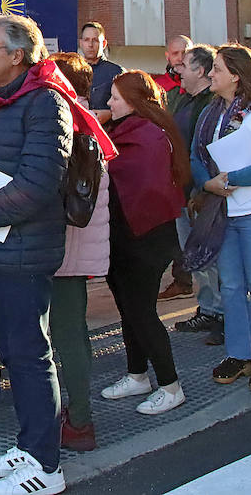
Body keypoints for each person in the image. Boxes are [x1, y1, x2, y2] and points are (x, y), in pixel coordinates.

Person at [0, 13, 82, 495]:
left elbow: (37, 185)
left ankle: (46, 467)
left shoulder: (46, 103)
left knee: (30, 356)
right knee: (17, 354)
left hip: (25, 252)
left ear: (17, 56)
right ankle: (30, 446)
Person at [191, 45, 251, 393]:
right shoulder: (209, 112)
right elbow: (196, 155)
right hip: (222, 212)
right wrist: (206, 182)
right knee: (230, 286)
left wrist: (230, 179)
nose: (210, 74)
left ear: (235, 74)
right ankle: (239, 353)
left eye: (215, 68)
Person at [99, 70, 189, 417]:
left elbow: (139, 187)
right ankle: (137, 375)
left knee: (142, 312)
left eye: (116, 98)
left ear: (135, 102)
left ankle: (171, 385)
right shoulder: (127, 131)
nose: (109, 103)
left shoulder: (147, 135)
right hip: (125, 236)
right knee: (129, 310)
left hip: (145, 238)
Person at [40, 52, 111, 451]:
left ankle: (79, 419)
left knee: (64, 338)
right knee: (72, 335)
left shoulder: (66, 124)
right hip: (74, 248)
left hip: (63, 247)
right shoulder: (87, 123)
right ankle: (77, 415)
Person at [161, 45, 216, 310]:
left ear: (202, 70)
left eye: (184, 65)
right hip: (181, 191)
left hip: (200, 193)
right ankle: (207, 309)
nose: (177, 70)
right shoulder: (184, 99)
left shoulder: (210, 104)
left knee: (207, 259)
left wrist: (202, 188)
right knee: (192, 255)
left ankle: (216, 312)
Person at [79, 21, 123, 112]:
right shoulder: (73, 71)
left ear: (103, 44)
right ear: (81, 43)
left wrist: (109, 114)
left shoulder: (117, 73)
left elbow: (128, 107)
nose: (90, 45)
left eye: (95, 40)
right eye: (86, 40)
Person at [156, 35, 193, 101]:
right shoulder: (157, 85)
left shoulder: (202, 83)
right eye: (175, 53)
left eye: (185, 53)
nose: (180, 58)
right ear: (167, 56)